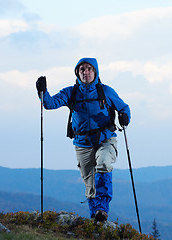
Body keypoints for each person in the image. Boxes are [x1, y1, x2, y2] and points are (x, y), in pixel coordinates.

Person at [36, 57, 131, 222]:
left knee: (104, 163)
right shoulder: (71, 92)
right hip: (82, 143)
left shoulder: (106, 91)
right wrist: (42, 92)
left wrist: (125, 117)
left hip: (105, 139)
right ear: (77, 73)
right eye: (82, 70)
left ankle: (102, 208)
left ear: (95, 72)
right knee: (90, 185)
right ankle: (95, 216)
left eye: (89, 69)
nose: (86, 72)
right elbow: (50, 104)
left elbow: (123, 107)